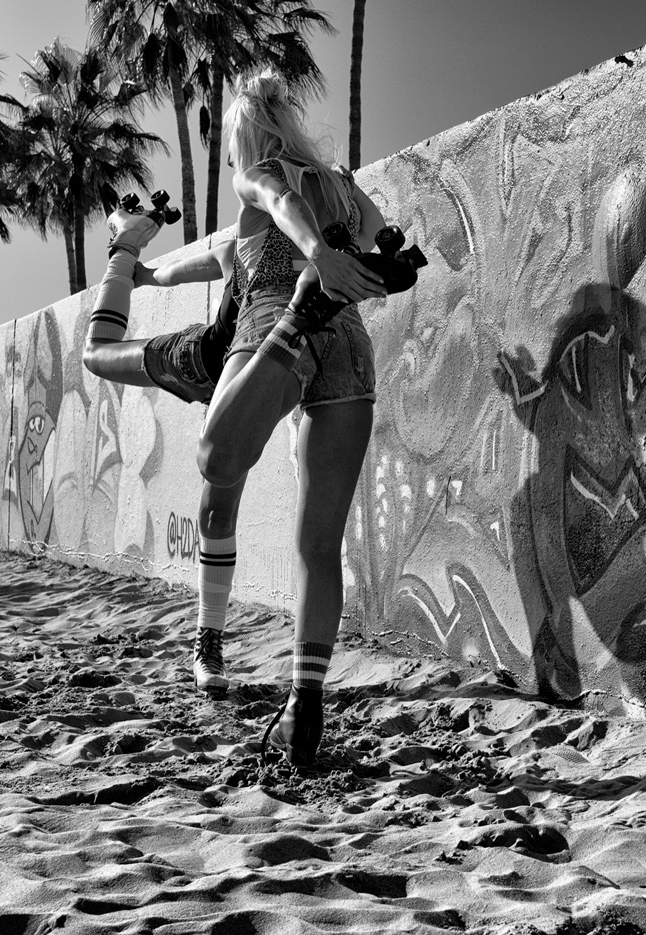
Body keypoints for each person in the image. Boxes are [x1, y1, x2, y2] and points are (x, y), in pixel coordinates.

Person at [195, 68, 390, 768]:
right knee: (319, 544)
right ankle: (305, 708)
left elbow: (275, 199)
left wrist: (316, 257)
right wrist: (373, 265)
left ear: (242, 133)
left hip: (285, 314)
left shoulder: (261, 169)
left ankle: (290, 331)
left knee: (217, 459)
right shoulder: (339, 179)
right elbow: (383, 237)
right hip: (352, 342)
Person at [82, 204, 244, 698]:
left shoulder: (320, 257)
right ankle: (207, 643)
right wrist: (145, 272)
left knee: (219, 515)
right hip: (205, 362)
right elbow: (216, 254)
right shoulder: (248, 247)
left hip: (282, 375)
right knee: (97, 353)